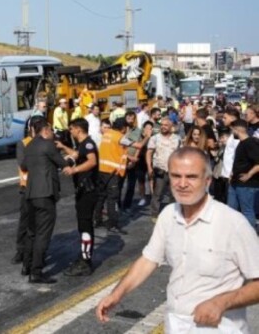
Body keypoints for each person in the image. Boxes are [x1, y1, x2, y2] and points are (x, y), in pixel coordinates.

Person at [96, 147, 259, 332]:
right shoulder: (168, 215)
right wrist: (116, 295)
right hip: (176, 324)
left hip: (219, 327)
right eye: (175, 176)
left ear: (207, 180)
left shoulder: (233, 224)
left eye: (191, 177)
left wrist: (222, 302)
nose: (182, 184)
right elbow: (148, 260)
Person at [20, 119, 70, 284]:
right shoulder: (48, 145)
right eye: (51, 130)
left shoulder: (29, 146)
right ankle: (36, 271)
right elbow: (62, 163)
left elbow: (25, 166)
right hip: (45, 193)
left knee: (32, 231)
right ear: (46, 131)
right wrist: (71, 159)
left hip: (30, 193)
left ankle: (26, 265)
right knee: (43, 233)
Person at [57, 118, 99, 277]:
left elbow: (92, 161)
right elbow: (76, 154)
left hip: (88, 191)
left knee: (86, 225)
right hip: (82, 191)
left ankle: (86, 262)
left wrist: (74, 171)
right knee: (83, 225)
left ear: (78, 130)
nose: (70, 132)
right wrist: (63, 147)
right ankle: (84, 255)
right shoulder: (83, 145)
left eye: (72, 129)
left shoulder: (88, 144)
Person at [13, 116, 44, 266]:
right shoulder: (23, 144)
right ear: (31, 128)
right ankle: (21, 250)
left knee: (39, 223)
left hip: (41, 187)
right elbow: (23, 165)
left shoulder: (46, 142)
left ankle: (36, 253)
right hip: (27, 187)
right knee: (24, 222)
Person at [94, 117, 129, 234]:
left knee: (101, 196)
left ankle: (97, 220)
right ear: (123, 128)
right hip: (112, 172)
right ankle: (112, 224)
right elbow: (137, 145)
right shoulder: (119, 136)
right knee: (112, 198)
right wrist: (147, 137)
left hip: (101, 170)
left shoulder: (106, 135)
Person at [146, 117, 182, 220]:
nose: (163, 127)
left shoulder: (177, 138)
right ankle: (154, 214)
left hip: (174, 171)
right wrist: (149, 167)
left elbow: (180, 154)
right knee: (157, 193)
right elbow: (149, 153)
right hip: (159, 170)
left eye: (166, 125)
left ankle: (173, 214)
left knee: (174, 194)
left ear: (171, 127)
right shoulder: (155, 138)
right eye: (162, 125)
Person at [229, 119, 259, 231]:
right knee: (231, 210)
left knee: (247, 211)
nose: (232, 133)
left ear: (237, 129)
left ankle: (251, 238)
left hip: (247, 185)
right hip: (236, 183)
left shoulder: (251, 143)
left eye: (232, 130)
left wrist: (249, 175)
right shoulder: (242, 143)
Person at [135, 122, 155, 208]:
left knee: (151, 178)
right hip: (141, 160)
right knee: (141, 180)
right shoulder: (140, 137)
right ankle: (142, 197)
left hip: (151, 160)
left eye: (150, 128)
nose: (149, 130)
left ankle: (154, 197)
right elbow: (138, 146)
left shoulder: (154, 137)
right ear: (143, 129)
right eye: (147, 128)